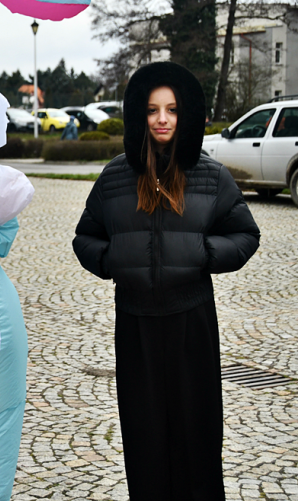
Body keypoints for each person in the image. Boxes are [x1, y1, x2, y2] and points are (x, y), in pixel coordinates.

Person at [72, 62, 260, 501]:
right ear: (140, 113)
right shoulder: (116, 177)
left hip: (191, 322)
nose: (162, 119)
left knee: (196, 435)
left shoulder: (211, 176)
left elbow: (245, 235)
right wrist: (113, 259)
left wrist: (204, 253)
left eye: (172, 110)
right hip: (135, 325)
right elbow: (85, 237)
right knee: (145, 436)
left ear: (185, 114)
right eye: (153, 109)